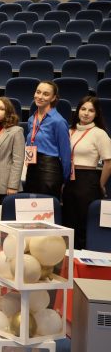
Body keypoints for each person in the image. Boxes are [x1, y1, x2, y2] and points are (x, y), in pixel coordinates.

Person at [63, 96, 111, 248]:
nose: (86, 113)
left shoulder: (99, 133)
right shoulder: (69, 131)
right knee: (68, 222)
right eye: (83, 109)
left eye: (91, 110)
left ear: (96, 114)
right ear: (78, 111)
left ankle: (82, 257)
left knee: (83, 223)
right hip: (69, 179)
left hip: (87, 180)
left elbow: (108, 162)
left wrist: (100, 184)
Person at [24, 81, 72, 200]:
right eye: (38, 92)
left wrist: (65, 180)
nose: (40, 96)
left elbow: (66, 155)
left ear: (53, 98)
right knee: (29, 206)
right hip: (32, 168)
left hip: (49, 170)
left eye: (45, 94)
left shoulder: (58, 121)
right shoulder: (32, 119)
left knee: (45, 208)